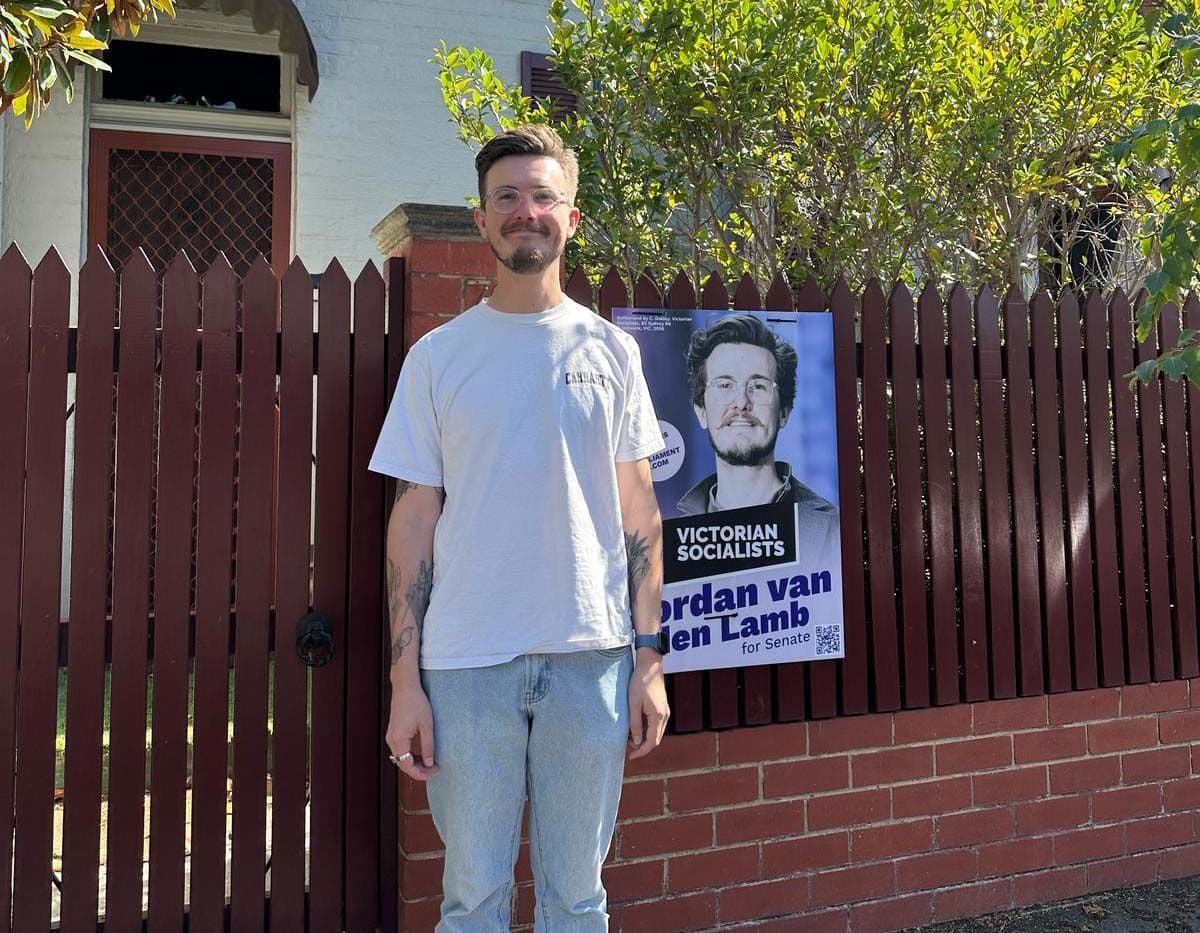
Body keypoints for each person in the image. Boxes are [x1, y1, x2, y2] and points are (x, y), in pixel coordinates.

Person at [370, 124, 671, 932]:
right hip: (466, 667)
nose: (525, 211)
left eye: (543, 196)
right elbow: (413, 522)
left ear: (571, 219)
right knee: (472, 903)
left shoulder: (611, 351)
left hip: (592, 662)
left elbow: (640, 513)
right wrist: (405, 682)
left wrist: (648, 662)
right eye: (507, 196)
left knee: (578, 902)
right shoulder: (438, 357)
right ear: (481, 219)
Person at [677, 314, 840, 551]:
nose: (741, 403)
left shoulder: (829, 529)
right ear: (701, 412)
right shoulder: (673, 536)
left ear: (784, 412)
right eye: (724, 385)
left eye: (758, 386)